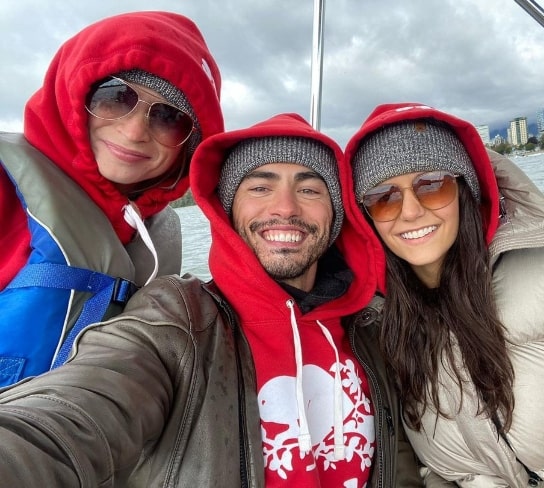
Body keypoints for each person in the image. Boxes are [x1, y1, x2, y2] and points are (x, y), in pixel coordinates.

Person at [0, 112, 424, 487]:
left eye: (311, 190)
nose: (285, 208)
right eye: (260, 187)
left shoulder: (371, 328)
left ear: (335, 213)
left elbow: (401, 459)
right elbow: (70, 419)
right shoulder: (177, 321)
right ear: (226, 209)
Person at [344, 102, 544, 487]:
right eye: (383, 196)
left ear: (465, 191)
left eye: (432, 185)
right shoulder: (377, 321)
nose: (410, 211)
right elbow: (429, 469)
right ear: (365, 215)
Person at [0, 11, 223, 387]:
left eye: (169, 117)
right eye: (116, 97)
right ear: (77, 94)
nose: (135, 131)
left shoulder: (158, 231)